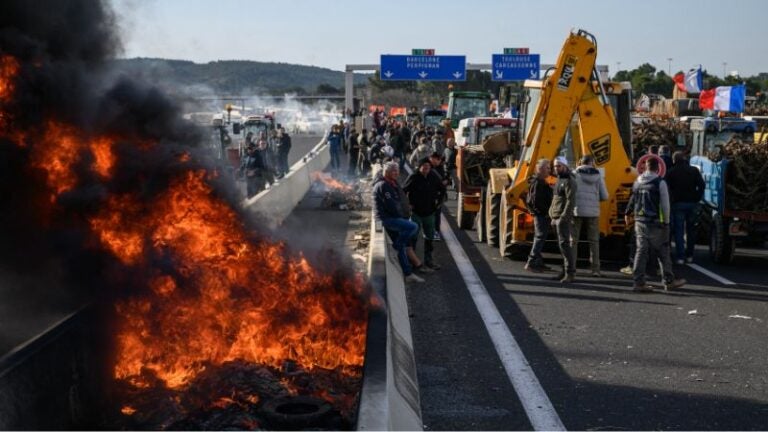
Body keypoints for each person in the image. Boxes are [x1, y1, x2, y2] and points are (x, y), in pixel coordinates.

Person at [625, 158, 686, 292]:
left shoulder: (638, 182)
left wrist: (627, 213)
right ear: (657, 168)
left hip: (640, 221)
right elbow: (665, 204)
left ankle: (638, 282)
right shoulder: (660, 182)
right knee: (663, 251)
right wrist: (667, 222)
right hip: (656, 223)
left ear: (645, 167)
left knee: (641, 251)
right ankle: (668, 280)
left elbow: (633, 199)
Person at [373, 162, 424, 283]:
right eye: (394, 171)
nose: (396, 173)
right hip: (386, 218)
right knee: (413, 227)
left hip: (392, 217)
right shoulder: (383, 185)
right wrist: (402, 218)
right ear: (387, 172)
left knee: (402, 246)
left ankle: (408, 274)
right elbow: (391, 206)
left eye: (397, 171)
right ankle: (394, 248)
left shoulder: (392, 183)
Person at [571, 155, 609, 277]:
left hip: (577, 211)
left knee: (573, 241)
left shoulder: (574, 174)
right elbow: (604, 196)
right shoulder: (598, 175)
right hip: (593, 213)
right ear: (592, 162)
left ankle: (571, 268)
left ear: (580, 162)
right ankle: (595, 269)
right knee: (594, 241)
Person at [665, 151, 705, 264]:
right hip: (692, 203)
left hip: (678, 204)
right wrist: (697, 197)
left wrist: (671, 200)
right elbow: (702, 185)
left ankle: (680, 257)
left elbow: (666, 188)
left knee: (679, 231)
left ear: (674, 160)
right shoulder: (694, 170)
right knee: (691, 230)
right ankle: (690, 255)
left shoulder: (671, 172)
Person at [403, 157, 443, 270]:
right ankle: (412, 262)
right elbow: (403, 191)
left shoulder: (434, 177)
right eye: (424, 167)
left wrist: (438, 203)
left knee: (430, 238)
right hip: (416, 212)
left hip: (429, 212)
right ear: (419, 167)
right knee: (413, 237)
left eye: (428, 167)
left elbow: (442, 189)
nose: (426, 169)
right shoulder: (414, 177)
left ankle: (429, 260)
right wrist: (408, 204)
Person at [549, 156, 577, 283]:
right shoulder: (558, 179)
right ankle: (564, 271)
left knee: (565, 245)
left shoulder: (569, 180)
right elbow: (556, 198)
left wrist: (563, 217)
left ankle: (570, 273)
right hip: (555, 216)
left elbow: (571, 200)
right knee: (560, 246)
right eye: (555, 166)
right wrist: (551, 214)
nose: (556, 168)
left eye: (559, 166)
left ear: (565, 166)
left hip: (562, 218)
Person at [524, 158, 554, 272]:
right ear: (540, 169)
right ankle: (531, 262)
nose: (549, 171)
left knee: (540, 237)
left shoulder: (539, 182)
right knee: (540, 237)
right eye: (547, 168)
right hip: (541, 215)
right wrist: (545, 213)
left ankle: (538, 262)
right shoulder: (538, 183)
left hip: (541, 214)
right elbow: (535, 201)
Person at [428, 152, 449, 240]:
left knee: (437, 214)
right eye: (432, 160)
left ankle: (436, 231)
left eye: (435, 160)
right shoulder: (427, 167)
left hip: (438, 195)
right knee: (428, 214)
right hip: (427, 195)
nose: (433, 162)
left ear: (439, 160)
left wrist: (446, 182)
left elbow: (446, 180)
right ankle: (428, 231)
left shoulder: (442, 168)